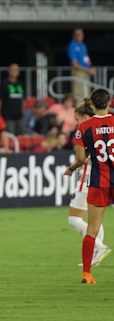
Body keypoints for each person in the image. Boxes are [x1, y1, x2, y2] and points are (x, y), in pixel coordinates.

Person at [72, 88, 114, 284]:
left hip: (99, 181)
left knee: (92, 229)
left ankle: (87, 274)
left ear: (92, 104)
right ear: (109, 102)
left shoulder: (85, 126)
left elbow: (81, 158)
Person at [64, 101, 111, 268]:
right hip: (103, 176)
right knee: (95, 219)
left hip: (89, 176)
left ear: (84, 116)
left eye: (77, 119)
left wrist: (70, 169)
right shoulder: (103, 126)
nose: (76, 123)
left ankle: (99, 247)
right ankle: (96, 253)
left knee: (74, 218)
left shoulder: (85, 128)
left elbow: (81, 158)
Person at [0, 63, 24, 135]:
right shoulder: (3, 83)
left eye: (16, 70)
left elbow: (24, 99)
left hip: (19, 116)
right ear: (9, 71)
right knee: (11, 136)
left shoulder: (20, 83)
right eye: (12, 70)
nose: (14, 71)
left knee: (21, 135)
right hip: (8, 116)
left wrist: (23, 112)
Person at [68, 28, 96, 100]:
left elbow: (86, 59)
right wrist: (88, 70)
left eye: (80, 35)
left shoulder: (83, 45)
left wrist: (90, 68)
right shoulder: (72, 45)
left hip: (86, 72)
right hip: (79, 72)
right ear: (73, 36)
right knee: (79, 94)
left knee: (87, 93)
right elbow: (75, 64)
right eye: (76, 35)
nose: (78, 37)